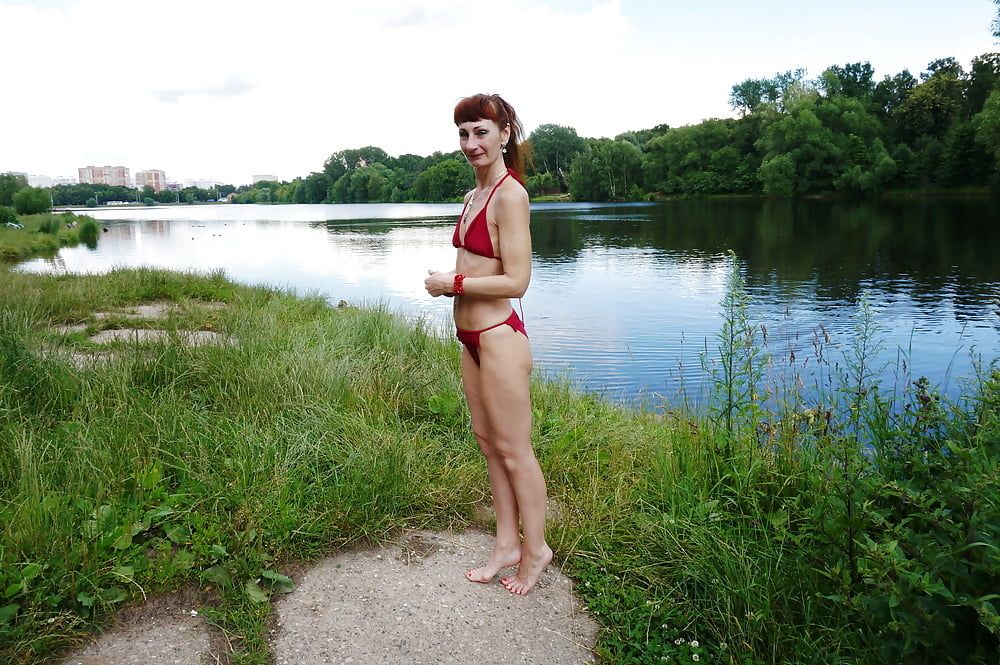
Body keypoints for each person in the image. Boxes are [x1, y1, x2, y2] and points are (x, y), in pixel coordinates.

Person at [424, 93, 552, 596]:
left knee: (516, 451)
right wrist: (455, 288)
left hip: (499, 338)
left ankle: (536, 549)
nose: (471, 143)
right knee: (488, 445)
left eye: (481, 132)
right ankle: (506, 545)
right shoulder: (472, 194)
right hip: (470, 338)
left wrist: (451, 285)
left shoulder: (509, 194)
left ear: (504, 134)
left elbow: (517, 281)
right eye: (463, 133)